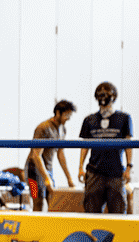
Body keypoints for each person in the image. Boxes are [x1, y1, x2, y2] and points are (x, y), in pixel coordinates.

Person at [78, 82, 133, 214]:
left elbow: (128, 145)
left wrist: (129, 167)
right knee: (91, 212)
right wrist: (80, 167)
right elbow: (84, 146)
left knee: (118, 213)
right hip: (94, 172)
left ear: (114, 96)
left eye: (107, 93)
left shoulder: (124, 118)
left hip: (115, 173)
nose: (103, 97)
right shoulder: (89, 120)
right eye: (100, 93)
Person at [25, 100, 77, 211]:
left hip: (48, 168)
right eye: (66, 115)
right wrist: (46, 178)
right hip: (33, 170)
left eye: (70, 115)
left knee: (53, 200)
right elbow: (36, 155)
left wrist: (69, 178)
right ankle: (35, 227)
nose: (68, 118)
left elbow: (60, 153)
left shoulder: (62, 129)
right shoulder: (43, 128)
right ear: (58, 113)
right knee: (37, 201)